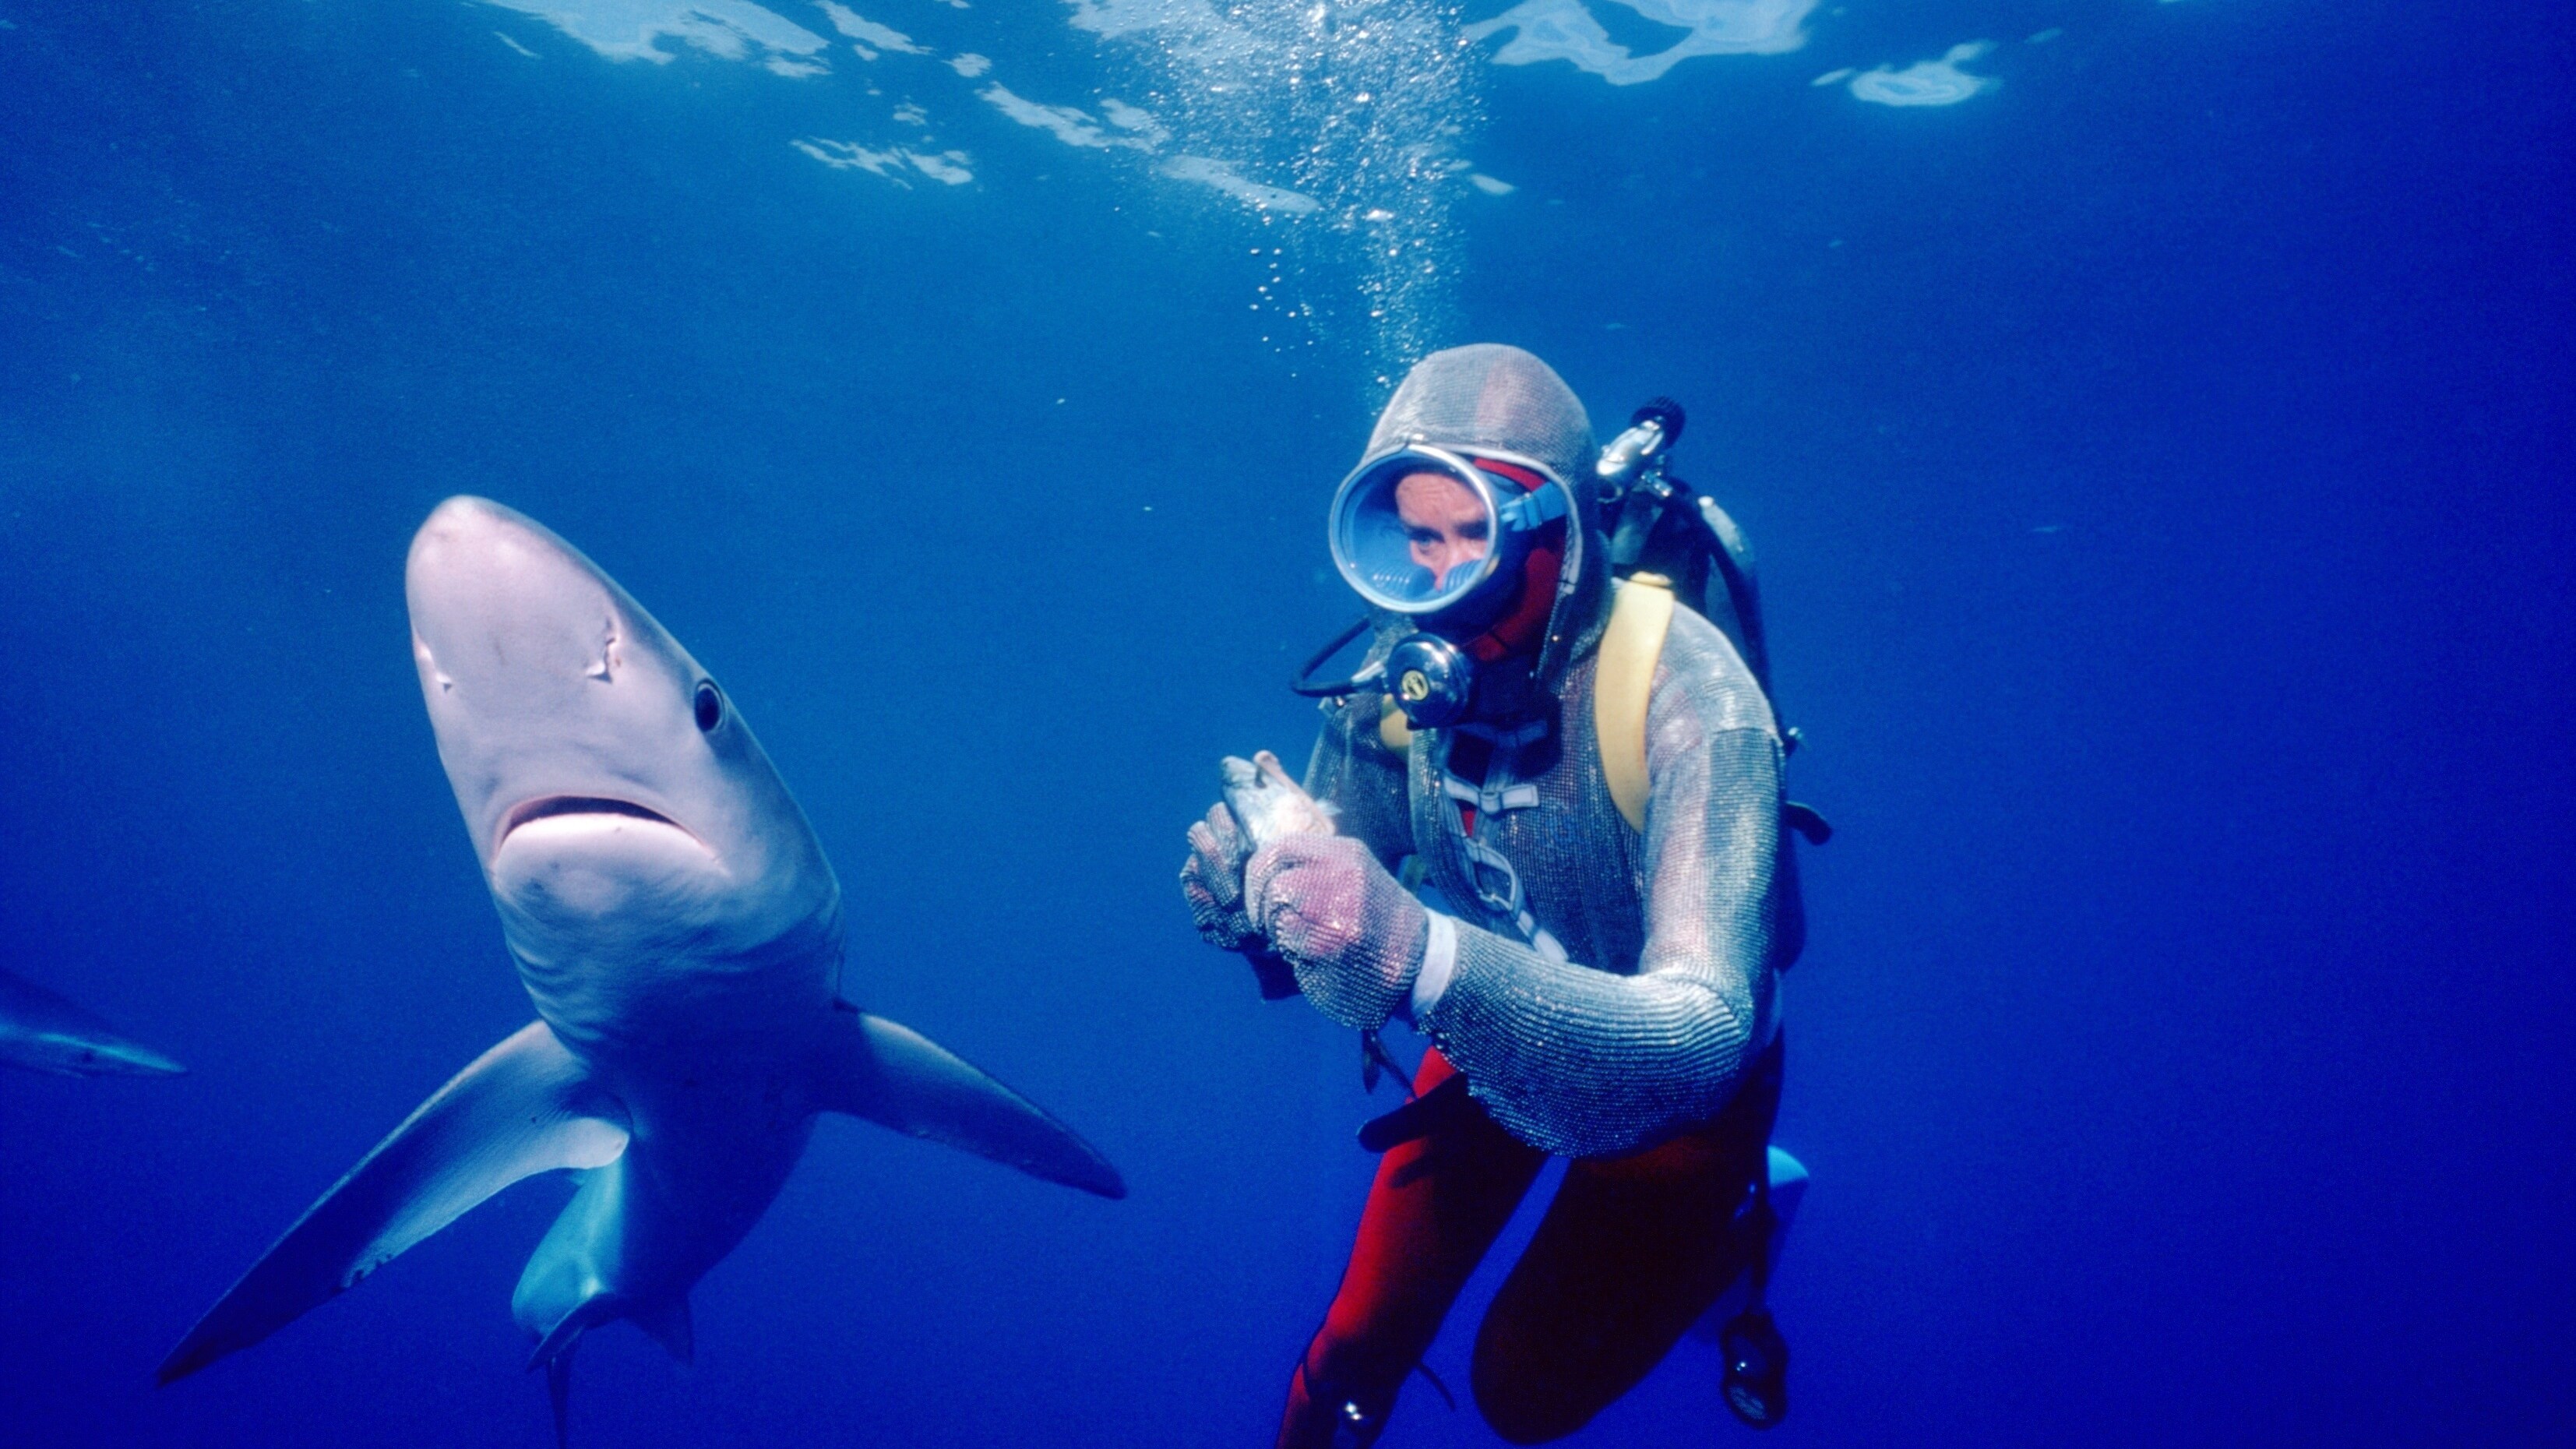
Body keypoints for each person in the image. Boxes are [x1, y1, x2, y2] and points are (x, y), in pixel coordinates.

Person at [1182, 344, 1796, 1447]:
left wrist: (1415, 954)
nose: (1444, 581)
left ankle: (1736, 1229)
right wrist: (1258, 909)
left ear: (1557, 536)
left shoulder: (1696, 695)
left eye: (1480, 534)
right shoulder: (1390, 694)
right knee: (1346, 1357)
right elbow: (1321, 945)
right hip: (1490, 1033)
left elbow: (1707, 1029)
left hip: (1683, 1111)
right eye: (1419, 539)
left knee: (1524, 1394)